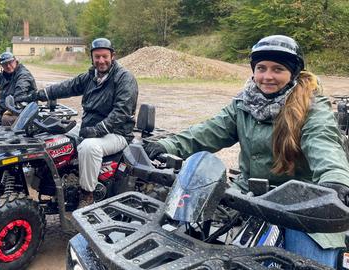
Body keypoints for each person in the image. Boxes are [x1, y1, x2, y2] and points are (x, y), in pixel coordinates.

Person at [144, 35, 349, 267]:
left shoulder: (312, 107)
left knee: (308, 262)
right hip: (250, 198)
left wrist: (335, 181)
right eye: (261, 68)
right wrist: (166, 146)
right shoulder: (244, 104)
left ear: (293, 74)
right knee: (188, 243)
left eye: (277, 69)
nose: (267, 76)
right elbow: (208, 131)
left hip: (303, 207)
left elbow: (324, 142)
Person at [33, 38, 138, 208]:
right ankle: (62, 179)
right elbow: (67, 87)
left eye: (104, 56)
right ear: (92, 58)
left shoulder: (125, 78)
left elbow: (122, 111)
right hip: (90, 127)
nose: (101, 61)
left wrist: (98, 129)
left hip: (117, 133)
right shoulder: (91, 76)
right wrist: (40, 94)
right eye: (97, 57)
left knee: (89, 147)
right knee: (58, 139)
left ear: (112, 56)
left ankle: (87, 194)